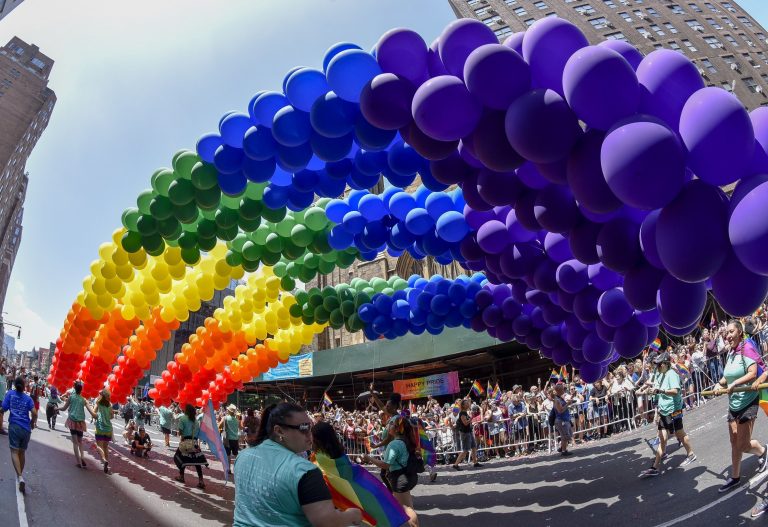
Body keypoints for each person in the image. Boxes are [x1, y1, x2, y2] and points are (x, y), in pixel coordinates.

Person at [233, 402, 362, 527]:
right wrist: (352, 514)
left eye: (310, 427)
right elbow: (327, 522)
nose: (309, 435)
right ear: (279, 431)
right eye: (303, 428)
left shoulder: (243, 456)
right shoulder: (304, 470)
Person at [312, 421, 411, 527]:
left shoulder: (318, 458)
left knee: (406, 506)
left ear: (317, 439)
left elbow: (385, 464)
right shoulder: (339, 452)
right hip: (345, 498)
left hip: (334, 501)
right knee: (404, 506)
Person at [713, 319, 768, 493]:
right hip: (734, 404)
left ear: (739, 332)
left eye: (730, 332)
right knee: (734, 441)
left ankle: (763, 451)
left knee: (743, 444)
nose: (727, 336)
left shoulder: (747, 348)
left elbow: (753, 373)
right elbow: (726, 377)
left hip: (748, 402)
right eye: (726, 333)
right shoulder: (730, 353)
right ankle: (735, 477)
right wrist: (718, 384)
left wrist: (735, 383)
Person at [639, 352, 697, 478]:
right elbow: (656, 386)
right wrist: (649, 390)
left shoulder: (672, 374)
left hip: (674, 409)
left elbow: (676, 391)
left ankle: (691, 454)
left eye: (659, 365)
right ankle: (655, 466)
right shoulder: (661, 374)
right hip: (664, 410)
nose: (657, 367)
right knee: (662, 438)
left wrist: (660, 390)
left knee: (680, 433)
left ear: (665, 364)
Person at [363, 415, 420, 527]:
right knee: (400, 505)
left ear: (397, 428)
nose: (388, 425)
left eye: (391, 424)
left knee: (407, 509)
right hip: (407, 476)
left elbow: (385, 465)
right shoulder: (404, 440)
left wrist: (368, 458)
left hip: (400, 478)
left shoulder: (394, 444)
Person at [1, 376, 36, 493]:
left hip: (14, 427)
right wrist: (32, 422)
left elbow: (3, 408)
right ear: (24, 386)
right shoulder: (28, 399)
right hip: (26, 429)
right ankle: (20, 476)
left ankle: (20, 477)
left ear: (15, 385)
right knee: (22, 452)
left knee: (14, 451)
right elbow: (34, 412)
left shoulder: (10, 394)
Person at [58, 381, 92, 469]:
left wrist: (56, 408)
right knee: (80, 442)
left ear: (74, 388)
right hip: (81, 422)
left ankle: (78, 462)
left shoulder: (71, 397)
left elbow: (64, 408)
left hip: (72, 421)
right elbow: (91, 410)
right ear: (81, 390)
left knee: (75, 442)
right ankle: (82, 457)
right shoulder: (83, 399)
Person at [173, 404, 207, 489]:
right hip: (194, 443)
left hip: (185, 442)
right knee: (197, 462)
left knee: (179, 457)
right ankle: (201, 480)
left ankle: (181, 476)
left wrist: (183, 433)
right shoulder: (196, 421)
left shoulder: (183, 418)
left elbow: (180, 431)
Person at [88, 389, 115, 474]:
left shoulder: (98, 403)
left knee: (99, 445)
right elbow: (112, 416)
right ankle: (106, 462)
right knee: (106, 447)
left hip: (100, 428)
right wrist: (107, 417)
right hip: (108, 429)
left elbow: (94, 412)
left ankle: (104, 459)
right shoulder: (110, 405)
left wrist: (91, 407)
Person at [452, 398, 481, 470]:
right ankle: (456, 464)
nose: (468, 404)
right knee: (465, 450)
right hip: (465, 433)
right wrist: (471, 418)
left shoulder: (465, 412)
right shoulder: (462, 413)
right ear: (463, 405)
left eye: (468, 403)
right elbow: (465, 423)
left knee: (473, 447)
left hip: (469, 432)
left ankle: (475, 462)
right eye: (466, 404)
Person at [552, 384, 573, 457]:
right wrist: (568, 404)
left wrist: (569, 401)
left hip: (565, 419)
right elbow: (560, 410)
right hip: (561, 420)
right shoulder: (557, 400)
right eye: (562, 389)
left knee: (568, 434)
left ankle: (562, 447)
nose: (564, 390)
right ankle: (564, 451)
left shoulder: (560, 398)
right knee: (564, 436)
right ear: (559, 390)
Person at [0, 362, 7, 435]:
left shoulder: (4, 377)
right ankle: (1, 428)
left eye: (4, 369)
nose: (3, 370)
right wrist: (1, 362)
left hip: (2, 398)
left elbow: (12, 377)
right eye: (2, 368)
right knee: (1, 414)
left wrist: (14, 370)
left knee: (1, 414)